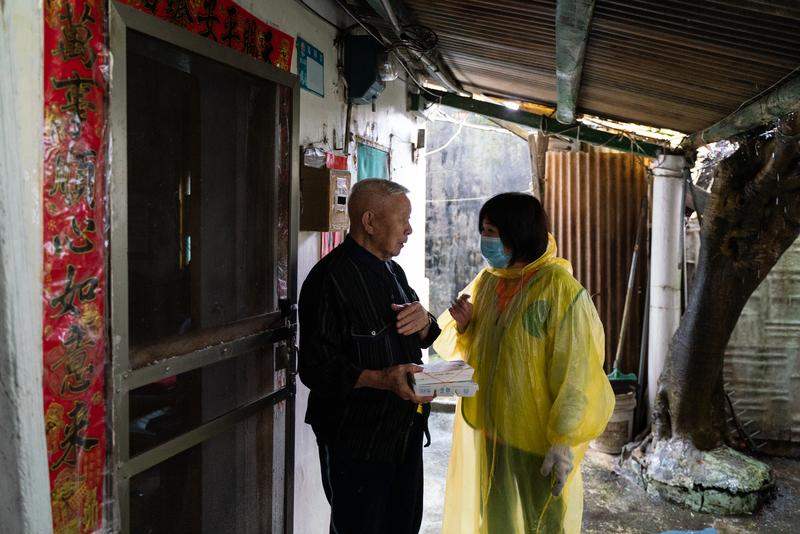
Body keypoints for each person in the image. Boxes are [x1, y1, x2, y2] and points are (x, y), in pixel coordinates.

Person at [434, 192, 614, 534]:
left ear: (516, 233)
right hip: (491, 432)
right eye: (483, 230)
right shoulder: (489, 281)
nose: (484, 239)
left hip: (536, 443)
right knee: (496, 519)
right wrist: (466, 326)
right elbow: (483, 354)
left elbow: (578, 372)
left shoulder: (560, 289)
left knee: (541, 522)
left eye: (490, 230)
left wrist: (564, 439)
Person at [299, 178, 441, 534]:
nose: (409, 229)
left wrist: (424, 320)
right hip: (358, 441)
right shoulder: (327, 280)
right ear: (369, 221)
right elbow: (315, 368)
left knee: (403, 526)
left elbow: (424, 334)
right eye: (402, 219)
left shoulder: (394, 271)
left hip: (404, 432)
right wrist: (381, 380)